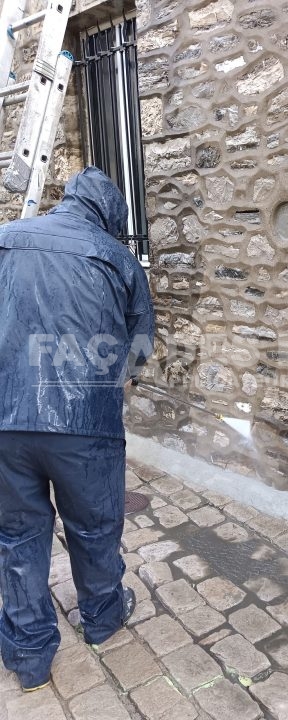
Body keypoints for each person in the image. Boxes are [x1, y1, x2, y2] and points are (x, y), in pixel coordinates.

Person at [0, 166, 154, 691]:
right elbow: (139, 348)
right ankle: (103, 619)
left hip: (6, 420)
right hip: (85, 424)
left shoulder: (6, 240)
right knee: (94, 526)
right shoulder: (120, 261)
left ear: (69, 200)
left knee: (18, 535)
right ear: (110, 216)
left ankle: (29, 655)